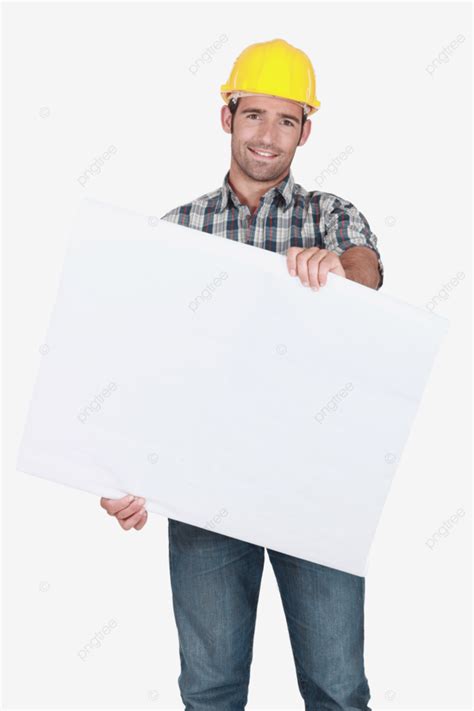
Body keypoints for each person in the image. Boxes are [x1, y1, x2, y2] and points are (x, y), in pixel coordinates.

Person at [100, 38, 383, 710]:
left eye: (286, 120)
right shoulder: (177, 230)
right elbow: (140, 363)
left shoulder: (329, 215)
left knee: (338, 688)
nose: (267, 135)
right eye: (254, 114)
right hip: (204, 488)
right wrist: (122, 471)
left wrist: (341, 272)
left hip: (316, 488)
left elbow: (369, 272)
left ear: (306, 131)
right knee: (210, 688)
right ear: (226, 117)